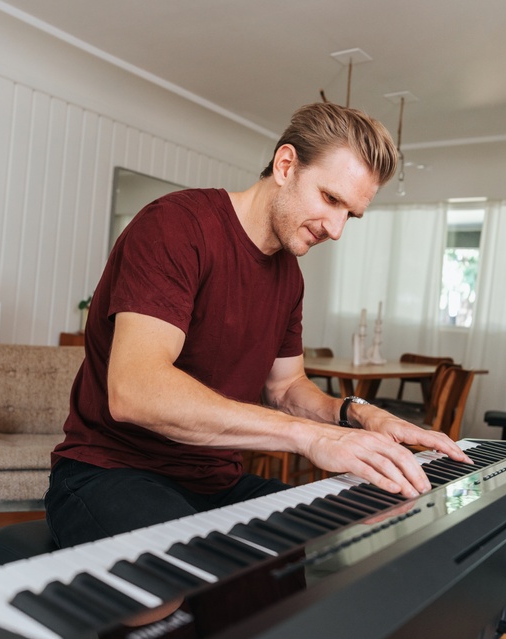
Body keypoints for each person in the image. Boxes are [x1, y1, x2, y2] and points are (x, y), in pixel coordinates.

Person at [46, 102, 472, 549]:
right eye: (330, 199)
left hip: (216, 483)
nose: (336, 229)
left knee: (335, 544)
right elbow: (135, 390)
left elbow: (286, 388)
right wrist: (312, 438)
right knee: (170, 578)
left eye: (351, 213)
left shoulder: (289, 277)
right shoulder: (176, 227)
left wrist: (357, 414)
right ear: (286, 165)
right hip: (111, 471)